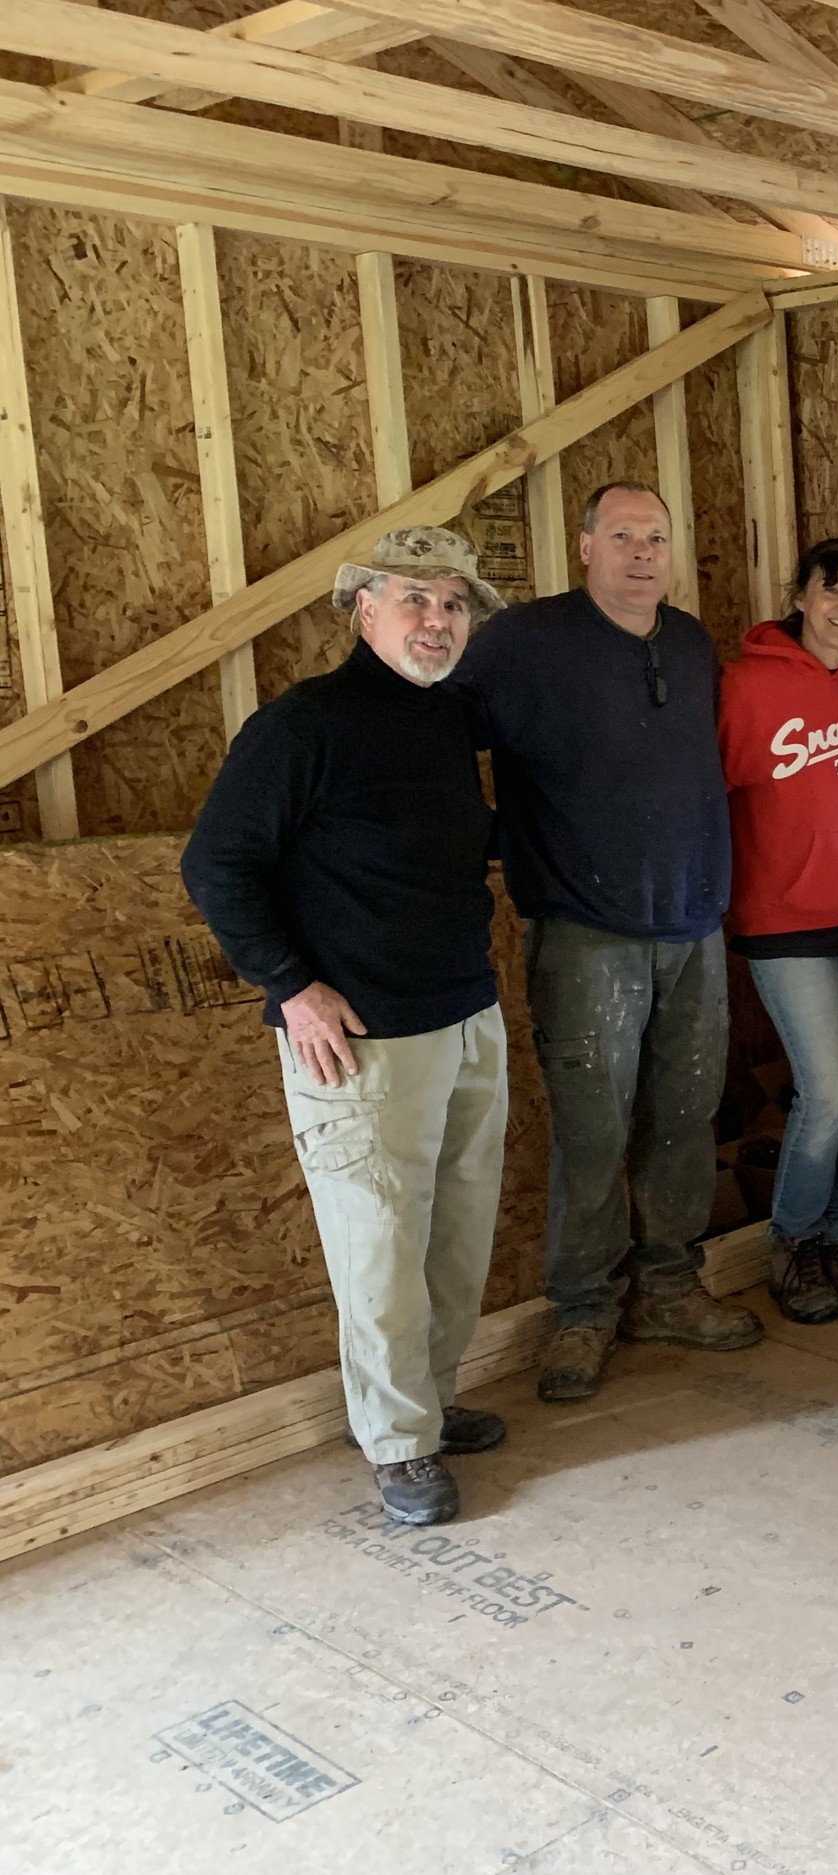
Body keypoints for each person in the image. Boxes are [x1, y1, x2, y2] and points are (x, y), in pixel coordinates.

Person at [182, 528, 509, 1526]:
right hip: (360, 1038)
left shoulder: (450, 720)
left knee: (454, 1235)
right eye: (416, 599)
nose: (437, 621)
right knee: (377, 1246)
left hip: (463, 1013)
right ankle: (399, 1444)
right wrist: (290, 986)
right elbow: (216, 865)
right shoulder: (302, 727)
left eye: (453, 604)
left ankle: (434, 1399)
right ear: (361, 608)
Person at [450, 482, 758, 1405]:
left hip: (694, 926)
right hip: (586, 933)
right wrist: (497, 838)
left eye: (656, 536)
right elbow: (439, 742)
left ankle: (668, 1286)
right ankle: (583, 1309)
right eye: (621, 535)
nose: (640, 552)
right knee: (593, 1131)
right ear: (583, 546)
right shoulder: (524, 643)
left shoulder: (692, 641)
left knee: (683, 1119)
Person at [717, 537, 838, 1326]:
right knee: (825, 1090)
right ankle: (792, 1242)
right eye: (831, 590)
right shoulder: (746, 686)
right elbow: (708, 793)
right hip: (785, 922)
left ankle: (837, 1235)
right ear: (798, 595)